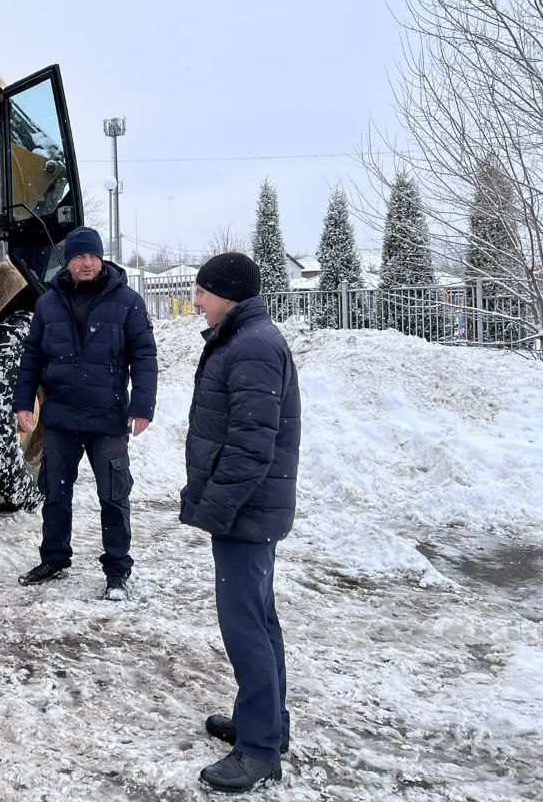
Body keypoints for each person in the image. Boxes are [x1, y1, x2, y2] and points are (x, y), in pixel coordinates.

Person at [183, 252, 301, 793]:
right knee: (259, 617)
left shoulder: (251, 344)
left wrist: (218, 507)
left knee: (245, 626)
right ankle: (267, 723)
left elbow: (251, 447)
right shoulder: (244, 336)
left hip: (245, 511)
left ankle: (258, 750)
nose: (198, 301)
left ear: (226, 294)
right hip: (250, 509)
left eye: (203, 292)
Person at [12, 226, 158, 600]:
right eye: (79, 256)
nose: (87, 263)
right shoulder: (49, 303)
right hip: (60, 418)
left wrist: (142, 405)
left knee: (113, 494)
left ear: (101, 258)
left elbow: (144, 355)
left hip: (108, 418)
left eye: (93, 256)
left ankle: (117, 568)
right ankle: (55, 557)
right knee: (55, 493)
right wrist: (23, 402)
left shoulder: (127, 301)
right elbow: (32, 357)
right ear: (69, 260)